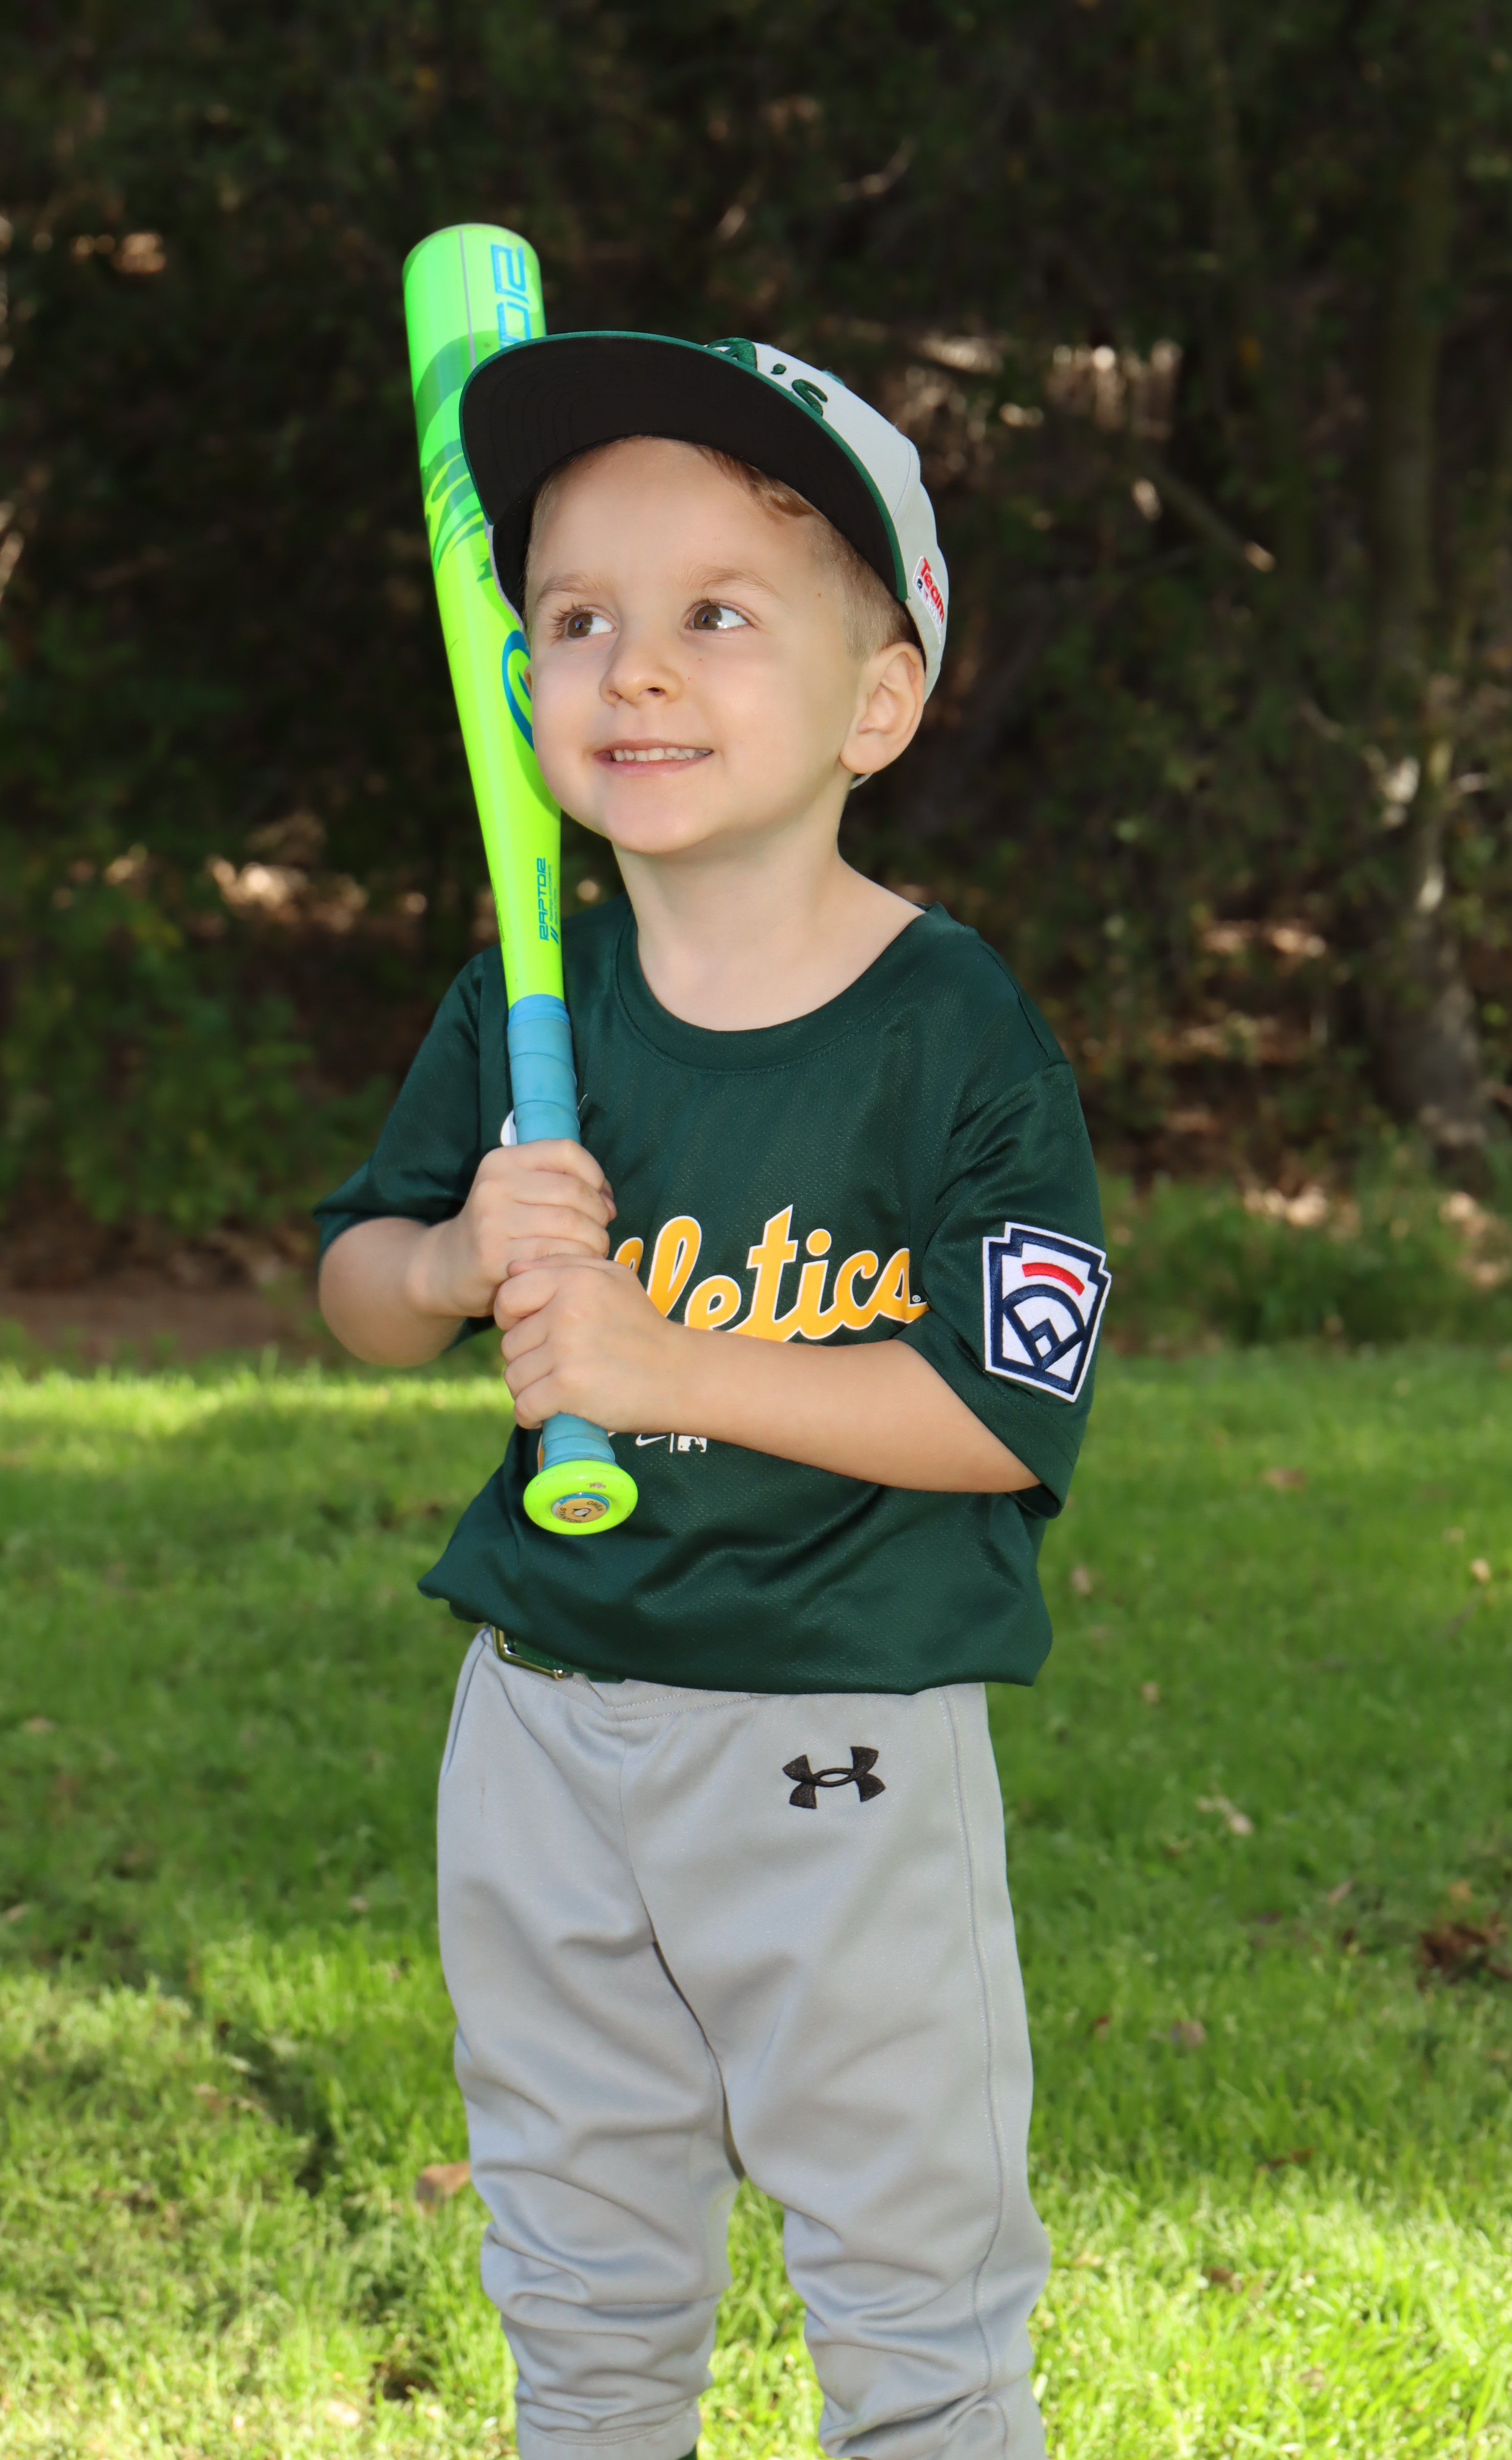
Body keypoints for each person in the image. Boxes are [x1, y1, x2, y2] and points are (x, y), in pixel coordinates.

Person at [316, 331, 1109, 2460]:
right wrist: (450, 1263)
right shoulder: (530, 999)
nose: (635, 667)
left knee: (907, 2277)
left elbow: (1003, 1418)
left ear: (878, 702)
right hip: (543, 1725)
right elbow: (358, 1289)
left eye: (717, 616)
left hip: (836, 1734)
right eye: (576, 617)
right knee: (581, 2275)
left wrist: (667, 1363)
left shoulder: (951, 1029)